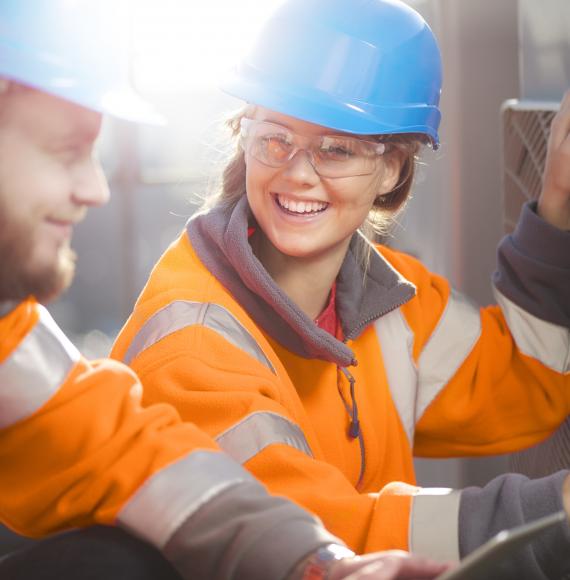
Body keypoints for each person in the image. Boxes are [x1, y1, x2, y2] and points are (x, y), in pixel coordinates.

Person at [111, 0, 570, 577]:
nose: (299, 173)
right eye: (276, 138)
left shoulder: (389, 299)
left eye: (337, 148)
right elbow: (316, 542)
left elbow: (523, 389)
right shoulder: (191, 344)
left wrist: (555, 212)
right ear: (245, 138)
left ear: (393, 170)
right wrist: (553, 511)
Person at [0, 1, 454, 579]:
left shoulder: (8, 339)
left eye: (336, 148)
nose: (96, 188)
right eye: (66, 150)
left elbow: (132, 456)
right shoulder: (195, 330)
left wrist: (320, 565)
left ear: (392, 167)